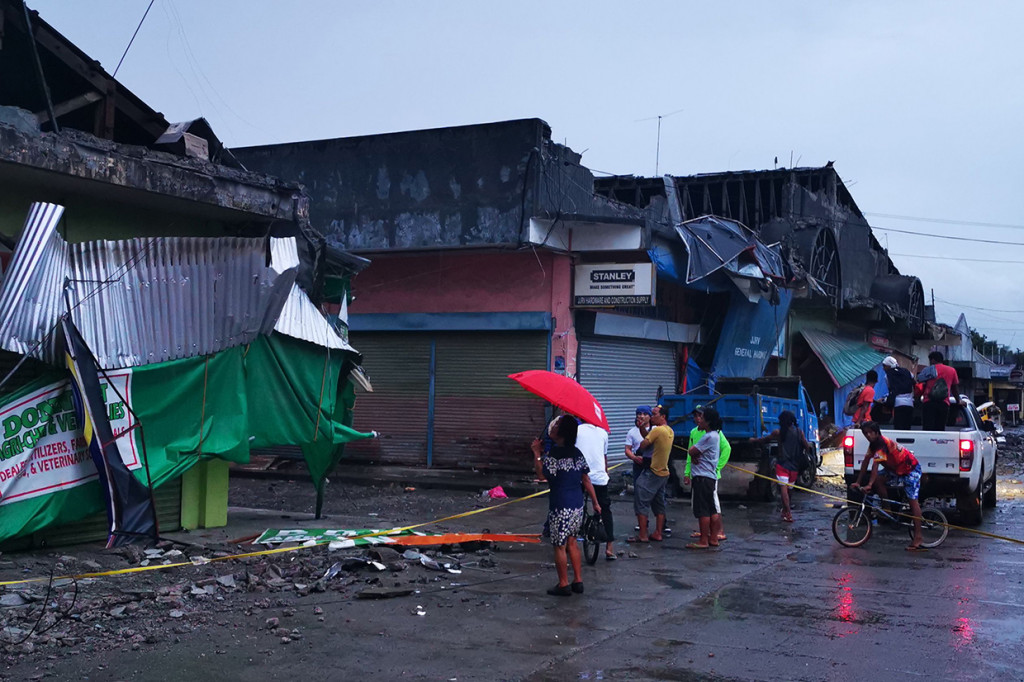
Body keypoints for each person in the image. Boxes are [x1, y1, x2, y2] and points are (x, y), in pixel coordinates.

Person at [531, 415, 601, 596]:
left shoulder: (554, 454)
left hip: (560, 505)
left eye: (556, 425)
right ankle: (578, 580)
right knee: (572, 542)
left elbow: (541, 475)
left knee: (559, 545)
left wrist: (537, 453)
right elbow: (586, 479)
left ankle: (563, 583)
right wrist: (595, 502)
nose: (553, 427)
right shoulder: (577, 453)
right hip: (577, 504)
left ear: (561, 432)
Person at [850, 421, 925, 551]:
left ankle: (918, 537)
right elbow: (866, 462)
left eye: (870, 433)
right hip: (895, 470)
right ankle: (887, 508)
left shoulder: (881, 444)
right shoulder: (873, 444)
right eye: (865, 433)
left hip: (910, 469)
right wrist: (858, 481)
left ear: (876, 433)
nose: (867, 435)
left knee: (913, 502)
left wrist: (869, 484)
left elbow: (875, 465)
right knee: (879, 479)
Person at [751, 410, 808, 523]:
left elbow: (765, 440)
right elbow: (806, 445)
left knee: (783, 489)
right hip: (794, 466)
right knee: (789, 490)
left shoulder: (778, 433)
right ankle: (786, 510)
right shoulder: (799, 432)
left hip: (782, 464)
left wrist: (753, 440)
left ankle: (787, 512)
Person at [684, 404, 730, 542]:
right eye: (696, 416)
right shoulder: (695, 432)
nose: (698, 419)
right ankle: (711, 536)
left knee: (706, 509)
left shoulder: (711, 435)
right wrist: (687, 472)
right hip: (702, 474)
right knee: (709, 508)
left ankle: (710, 537)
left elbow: (726, 449)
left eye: (701, 416)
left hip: (705, 476)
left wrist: (717, 467)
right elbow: (691, 453)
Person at [628, 404, 673, 543]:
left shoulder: (657, 430)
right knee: (659, 503)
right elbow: (649, 437)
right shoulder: (669, 430)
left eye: (654, 414)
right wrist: (642, 428)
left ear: (663, 416)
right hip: (663, 472)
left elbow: (643, 445)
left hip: (652, 471)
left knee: (641, 501)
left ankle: (642, 534)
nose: (652, 417)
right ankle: (658, 532)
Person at [576, 420, 616, 560]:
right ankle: (609, 546)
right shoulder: (603, 432)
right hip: (599, 477)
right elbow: (604, 457)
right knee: (605, 509)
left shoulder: (576, 430)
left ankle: (570, 539)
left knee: (575, 505)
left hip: (580, 476)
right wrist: (605, 473)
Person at [916, 351, 961, 431]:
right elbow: (954, 388)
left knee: (928, 428)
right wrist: (958, 401)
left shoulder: (928, 370)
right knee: (940, 428)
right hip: (944, 403)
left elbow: (920, 383)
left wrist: (917, 399)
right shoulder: (951, 370)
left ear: (933, 360)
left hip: (929, 402)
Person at [882, 356, 916, 430]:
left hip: (898, 404)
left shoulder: (887, 376)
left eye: (884, 366)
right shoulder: (908, 372)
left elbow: (891, 389)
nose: (883, 368)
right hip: (910, 403)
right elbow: (914, 382)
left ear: (889, 365)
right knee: (907, 428)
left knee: (898, 428)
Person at [624, 406, 653, 486]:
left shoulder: (655, 429)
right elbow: (627, 449)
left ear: (650, 416)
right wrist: (634, 458)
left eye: (645, 414)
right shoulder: (632, 432)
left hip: (653, 464)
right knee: (638, 486)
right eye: (639, 414)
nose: (642, 416)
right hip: (639, 464)